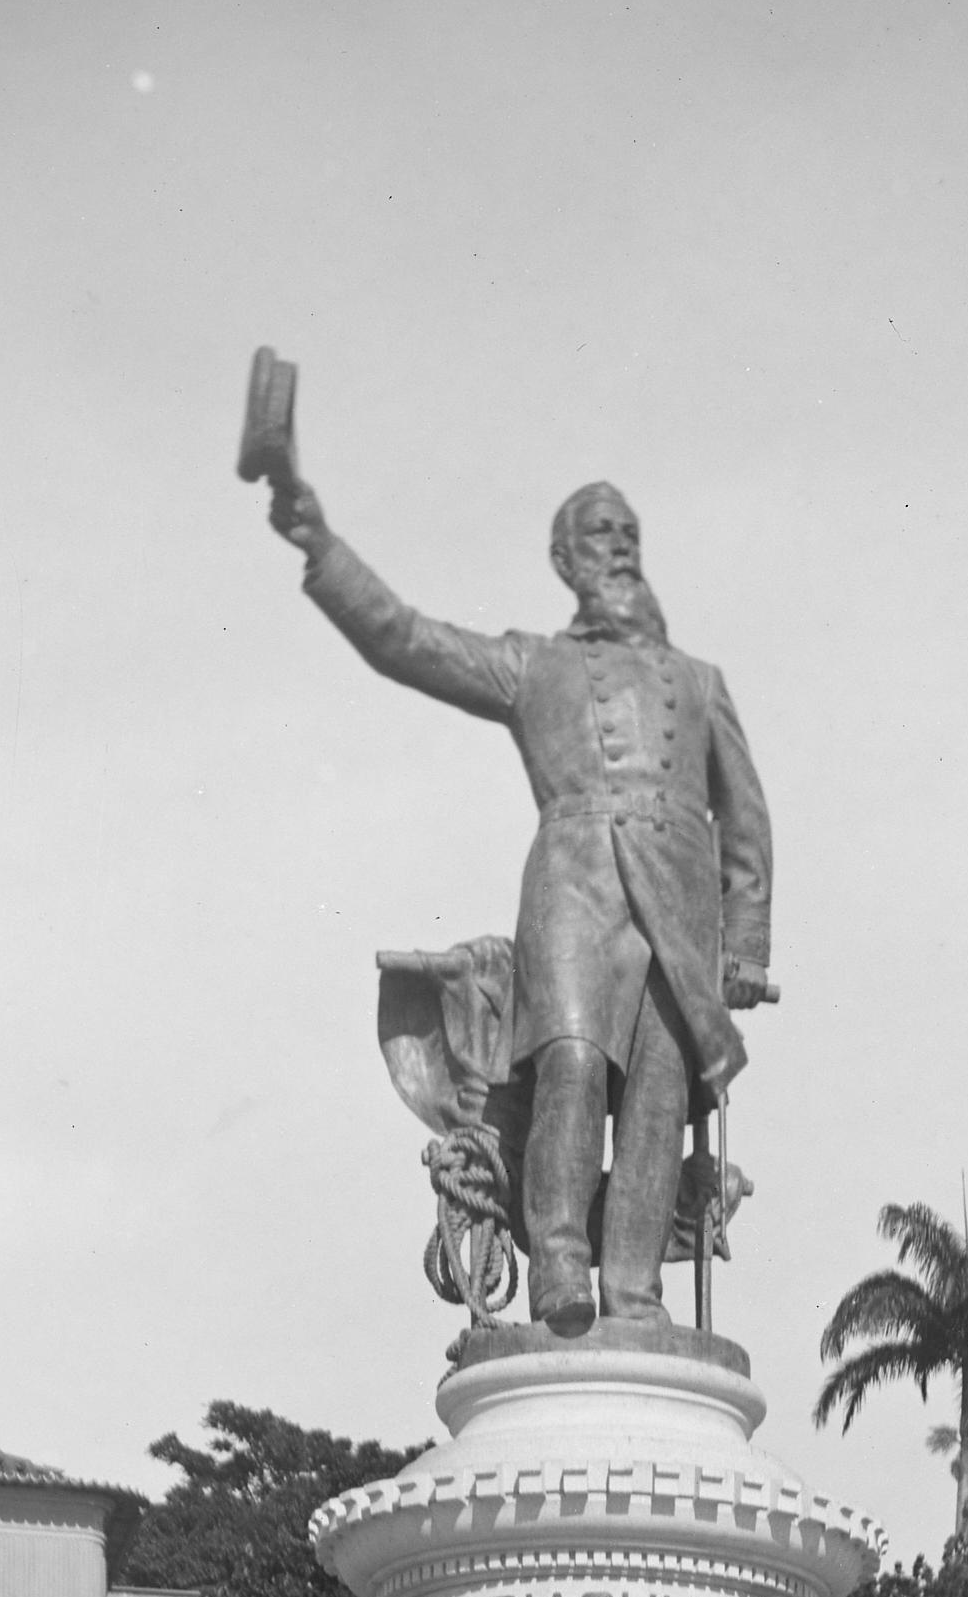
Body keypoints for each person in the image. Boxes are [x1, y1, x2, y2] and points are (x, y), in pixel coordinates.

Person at [270, 460, 775, 1330]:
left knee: (658, 1089)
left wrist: (746, 943)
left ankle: (634, 1289)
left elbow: (747, 817)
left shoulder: (699, 682)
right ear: (565, 561)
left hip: (679, 907)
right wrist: (319, 542)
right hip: (575, 883)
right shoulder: (531, 666)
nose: (619, 549)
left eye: (628, 534)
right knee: (571, 1064)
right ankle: (561, 1268)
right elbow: (405, 639)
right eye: (599, 536)